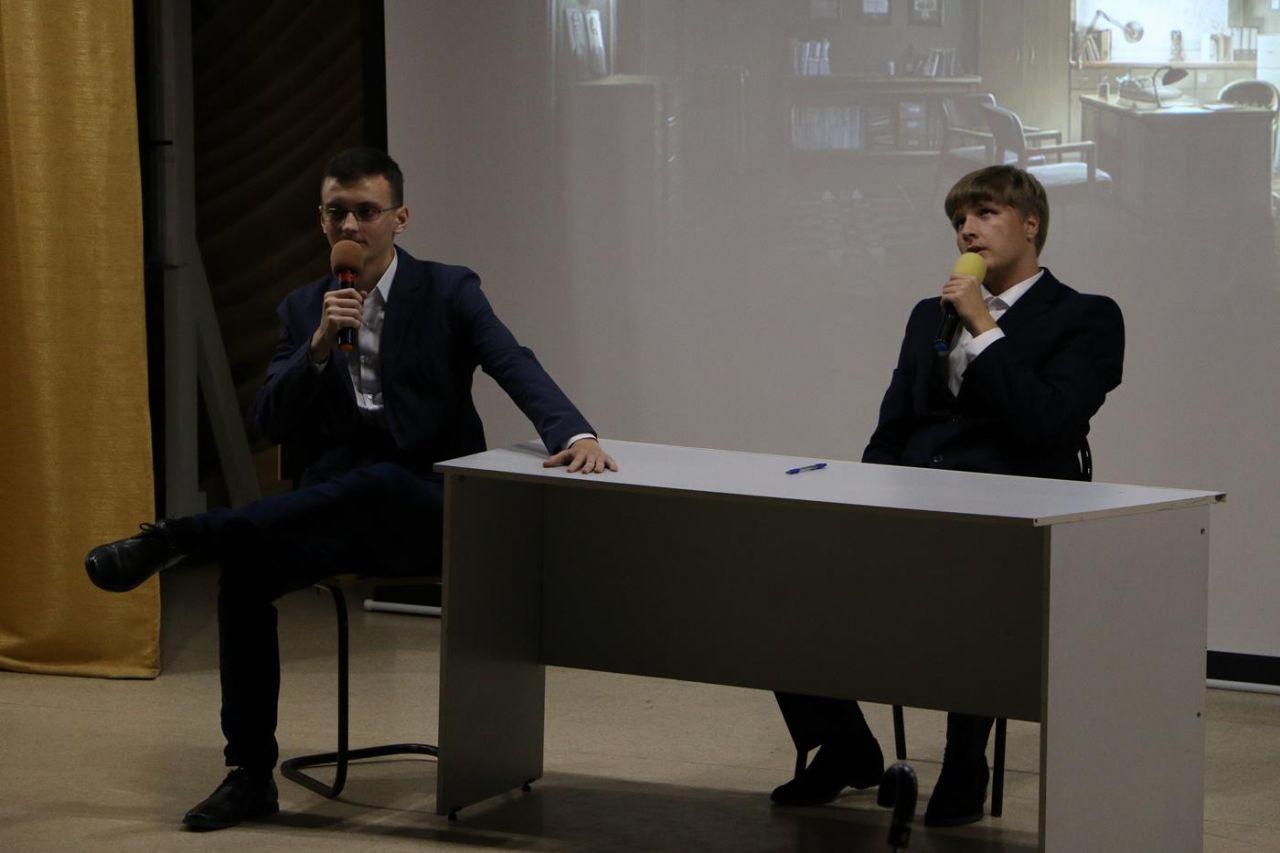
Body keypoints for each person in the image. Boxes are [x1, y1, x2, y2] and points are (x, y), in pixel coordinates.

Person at [85, 147, 617, 831]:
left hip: (429, 509)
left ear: (399, 218)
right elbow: (268, 420)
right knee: (245, 571)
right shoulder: (304, 307)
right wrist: (315, 348)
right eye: (337, 212)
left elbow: (513, 362)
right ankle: (249, 775)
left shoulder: (449, 290)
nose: (351, 225)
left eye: (366, 211)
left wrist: (574, 433)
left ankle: (178, 537)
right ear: (321, 221)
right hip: (339, 514)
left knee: (380, 480)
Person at [770, 165, 1124, 827]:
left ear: (1031, 223)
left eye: (985, 213)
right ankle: (846, 747)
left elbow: (1047, 422)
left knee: (977, 596)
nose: (967, 229)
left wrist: (984, 325)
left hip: (1010, 523)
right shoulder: (927, 316)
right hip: (916, 510)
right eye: (960, 219)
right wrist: (866, 500)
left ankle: (966, 760)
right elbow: (894, 425)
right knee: (783, 583)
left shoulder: (1086, 317)